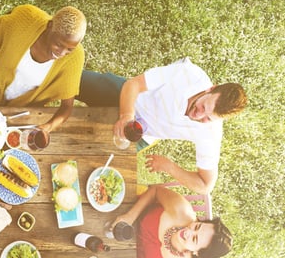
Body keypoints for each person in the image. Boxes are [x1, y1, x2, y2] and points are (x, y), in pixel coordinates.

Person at [77, 58, 247, 194]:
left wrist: (169, 167)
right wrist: (126, 116)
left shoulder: (210, 133)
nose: (198, 116)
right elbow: (134, 85)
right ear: (211, 88)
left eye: (208, 118)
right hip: (130, 98)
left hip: (142, 134)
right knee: (70, 80)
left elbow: (205, 185)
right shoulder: (186, 73)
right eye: (203, 107)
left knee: (90, 168)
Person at [111, 184, 233, 258]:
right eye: (197, 226)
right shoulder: (181, 209)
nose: (188, 232)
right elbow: (155, 191)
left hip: (140, 257)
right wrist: (130, 217)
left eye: (194, 239)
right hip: (135, 212)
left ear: (197, 253)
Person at [0, 5, 86, 134]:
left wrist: (48, 127)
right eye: (58, 44)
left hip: (21, 107)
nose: (61, 53)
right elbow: (0, 28)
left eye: (69, 49)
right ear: (50, 25)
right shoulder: (26, 18)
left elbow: (67, 106)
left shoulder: (74, 58)